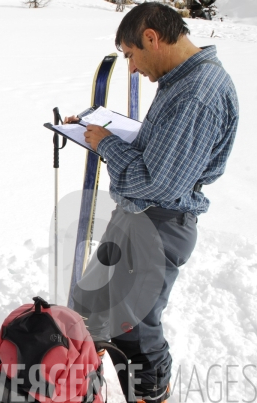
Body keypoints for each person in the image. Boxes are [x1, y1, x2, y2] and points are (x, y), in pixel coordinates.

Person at [66, 3, 238, 403]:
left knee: (133, 324)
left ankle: (149, 394)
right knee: (90, 300)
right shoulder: (182, 81)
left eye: (131, 56)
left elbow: (156, 183)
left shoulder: (197, 94)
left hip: (159, 222)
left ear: (151, 38)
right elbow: (161, 152)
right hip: (137, 217)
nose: (132, 68)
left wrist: (106, 143)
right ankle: (82, 382)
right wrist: (101, 129)